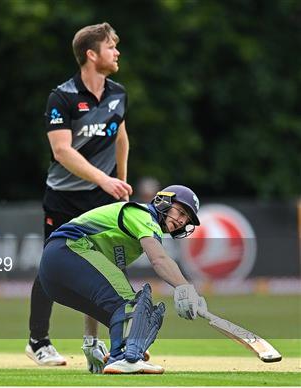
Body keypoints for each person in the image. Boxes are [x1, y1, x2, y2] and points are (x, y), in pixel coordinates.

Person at [26, 22, 133, 368]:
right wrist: (105, 180)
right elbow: (62, 152)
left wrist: (121, 185)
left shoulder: (118, 93)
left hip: (102, 197)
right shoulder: (63, 97)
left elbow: (121, 138)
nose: (117, 52)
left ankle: (95, 344)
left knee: (103, 268)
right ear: (92, 54)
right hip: (64, 197)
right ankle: (37, 341)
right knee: (50, 268)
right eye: (111, 47)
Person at [39, 185, 206, 374]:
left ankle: (119, 352)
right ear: (164, 201)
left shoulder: (134, 234)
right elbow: (159, 259)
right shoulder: (142, 214)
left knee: (117, 305)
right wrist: (185, 288)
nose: (181, 221)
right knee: (133, 304)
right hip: (67, 251)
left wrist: (90, 341)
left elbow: (95, 298)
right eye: (181, 211)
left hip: (53, 273)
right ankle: (125, 357)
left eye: (186, 219)